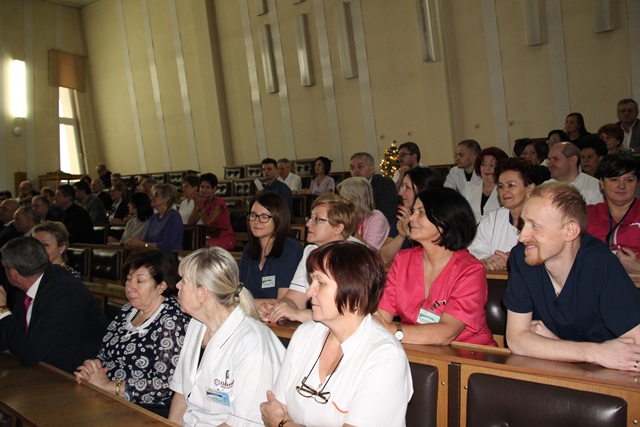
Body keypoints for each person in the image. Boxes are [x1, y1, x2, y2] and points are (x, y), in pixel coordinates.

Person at [260, 241, 413, 427]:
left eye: (321, 283)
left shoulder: (385, 356)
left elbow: (277, 418)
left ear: (354, 290)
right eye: (312, 281)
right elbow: (277, 408)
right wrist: (280, 420)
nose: (309, 291)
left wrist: (281, 424)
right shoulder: (305, 334)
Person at [503, 182, 640, 370]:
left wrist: (553, 345)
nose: (522, 236)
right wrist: (594, 353)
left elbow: (635, 348)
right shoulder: (521, 258)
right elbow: (516, 340)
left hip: (611, 375)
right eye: (523, 224)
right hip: (563, 370)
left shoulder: (600, 265)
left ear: (570, 231)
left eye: (535, 226)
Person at [169, 247, 285, 427]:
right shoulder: (196, 324)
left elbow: (240, 423)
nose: (177, 285)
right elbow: (181, 394)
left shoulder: (253, 344)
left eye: (183, 281)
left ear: (202, 294)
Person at [375, 187, 496, 346]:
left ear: (445, 220)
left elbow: (446, 332)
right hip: (415, 348)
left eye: (421, 212)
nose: (411, 218)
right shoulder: (403, 260)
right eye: (413, 211)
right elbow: (381, 316)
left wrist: (391, 331)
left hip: (467, 354)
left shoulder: (470, 270)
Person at [75, 250, 189, 417]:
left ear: (161, 286)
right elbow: (104, 353)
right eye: (129, 279)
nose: (130, 287)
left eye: (139, 281)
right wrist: (92, 369)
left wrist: (108, 386)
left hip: (144, 410)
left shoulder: (173, 321)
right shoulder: (128, 310)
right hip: (107, 397)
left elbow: (164, 386)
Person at [0, 237, 107, 373]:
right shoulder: (29, 286)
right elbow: (11, 337)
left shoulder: (65, 293)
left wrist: (2, 309)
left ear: (13, 274)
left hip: (75, 376)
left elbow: (29, 355)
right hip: (44, 367)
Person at [259, 194, 358, 324]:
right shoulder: (310, 252)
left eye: (317, 219)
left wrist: (298, 314)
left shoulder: (358, 257)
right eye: (310, 218)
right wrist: (279, 308)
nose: (308, 224)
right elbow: (294, 299)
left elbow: (348, 314)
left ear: (338, 228)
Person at [468, 159, 536, 271]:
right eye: (501, 186)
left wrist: (512, 260)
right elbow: (473, 249)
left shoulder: (543, 219)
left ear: (529, 189)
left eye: (511, 185)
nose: (504, 191)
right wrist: (489, 260)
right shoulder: (492, 219)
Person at [239, 193, 303, 301]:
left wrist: (246, 303)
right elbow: (238, 293)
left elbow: (282, 303)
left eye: (264, 217)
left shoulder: (292, 251)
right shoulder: (248, 249)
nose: (256, 221)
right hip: (249, 311)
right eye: (253, 215)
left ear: (279, 218)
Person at [586, 154, 640, 274]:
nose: (621, 186)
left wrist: (638, 268)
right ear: (601, 182)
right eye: (614, 179)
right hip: (595, 281)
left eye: (629, 180)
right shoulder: (586, 214)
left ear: (637, 183)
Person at [380, 166, 444, 264]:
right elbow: (383, 257)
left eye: (407, 187)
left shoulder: (437, 219)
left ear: (423, 190)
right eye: (402, 186)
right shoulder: (404, 216)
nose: (401, 192)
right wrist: (401, 235)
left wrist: (409, 233)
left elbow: (431, 257)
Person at [126, 183, 183, 259]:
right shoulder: (154, 217)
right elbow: (146, 240)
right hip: (153, 256)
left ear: (167, 198)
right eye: (152, 195)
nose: (151, 198)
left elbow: (167, 245)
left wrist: (143, 245)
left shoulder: (174, 216)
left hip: (167, 258)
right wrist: (135, 243)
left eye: (156, 195)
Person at [337, 177, 389, 250]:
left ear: (357, 200)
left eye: (344, 199)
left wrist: (352, 231)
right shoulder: (346, 217)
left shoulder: (377, 218)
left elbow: (372, 252)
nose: (339, 203)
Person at [187, 173, 235, 250]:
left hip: (224, 237)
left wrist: (199, 207)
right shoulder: (203, 203)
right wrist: (196, 205)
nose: (204, 190)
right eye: (202, 187)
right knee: (192, 241)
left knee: (200, 243)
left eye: (208, 187)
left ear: (214, 189)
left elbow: (209, 223)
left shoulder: (219, 203)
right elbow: (190, 223)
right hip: (210, 237)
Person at [462, 146, 509, 223]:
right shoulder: (469, 187)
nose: (487, 169)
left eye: (492, 165)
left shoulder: (505, 190)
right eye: (483, 164)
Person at [349, 152, 396, 225]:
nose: (355, 171)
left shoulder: (385, 184)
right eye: (352, 168)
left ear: (372, 168)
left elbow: (386, 215)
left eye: (360, 166)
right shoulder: (348, 188)